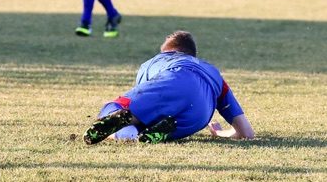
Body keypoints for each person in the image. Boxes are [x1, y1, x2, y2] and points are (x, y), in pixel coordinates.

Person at [83, 31, 255, 144]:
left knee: (117, 109)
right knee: (165, 123)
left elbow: (143, 105)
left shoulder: (153, 62)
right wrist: (219, 133)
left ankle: (125, 134)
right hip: (198, 116)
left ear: (167, 51)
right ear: (192, 54)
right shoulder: (213, 72)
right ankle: (158, 133)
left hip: (174, 81)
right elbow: (246, 132)